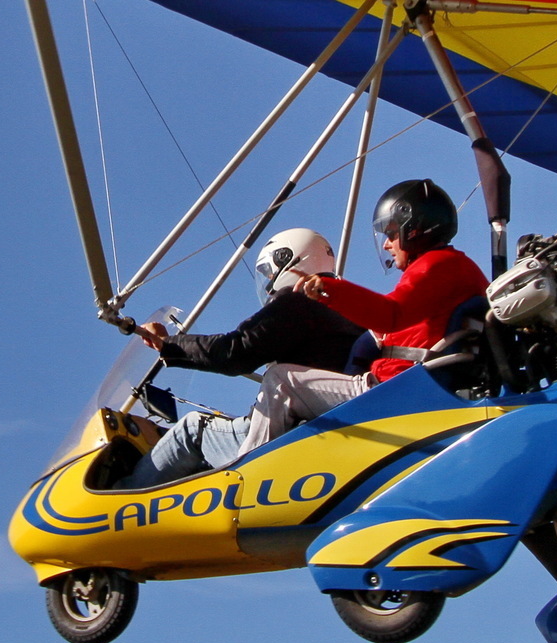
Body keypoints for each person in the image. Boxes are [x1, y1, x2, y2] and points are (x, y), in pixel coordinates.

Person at [122, 228, 363, 488]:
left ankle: (115, 508)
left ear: (288, 260)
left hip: (293, 428)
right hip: (326, 420)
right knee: (201, 469)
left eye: (269, 272)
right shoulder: (351, 308)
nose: (269, 281)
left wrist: (167, 344)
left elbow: (235, 351)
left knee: (193, 430)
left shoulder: (299, 301)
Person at [256, 179, 491, 431]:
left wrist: (328, 289)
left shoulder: (436, 265)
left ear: (413, 229)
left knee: (279, 380)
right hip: (412, 385)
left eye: (391, 234)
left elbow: (390, 314)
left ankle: (248, 469)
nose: (387, 244)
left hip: (394, 389)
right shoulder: (457, 269)